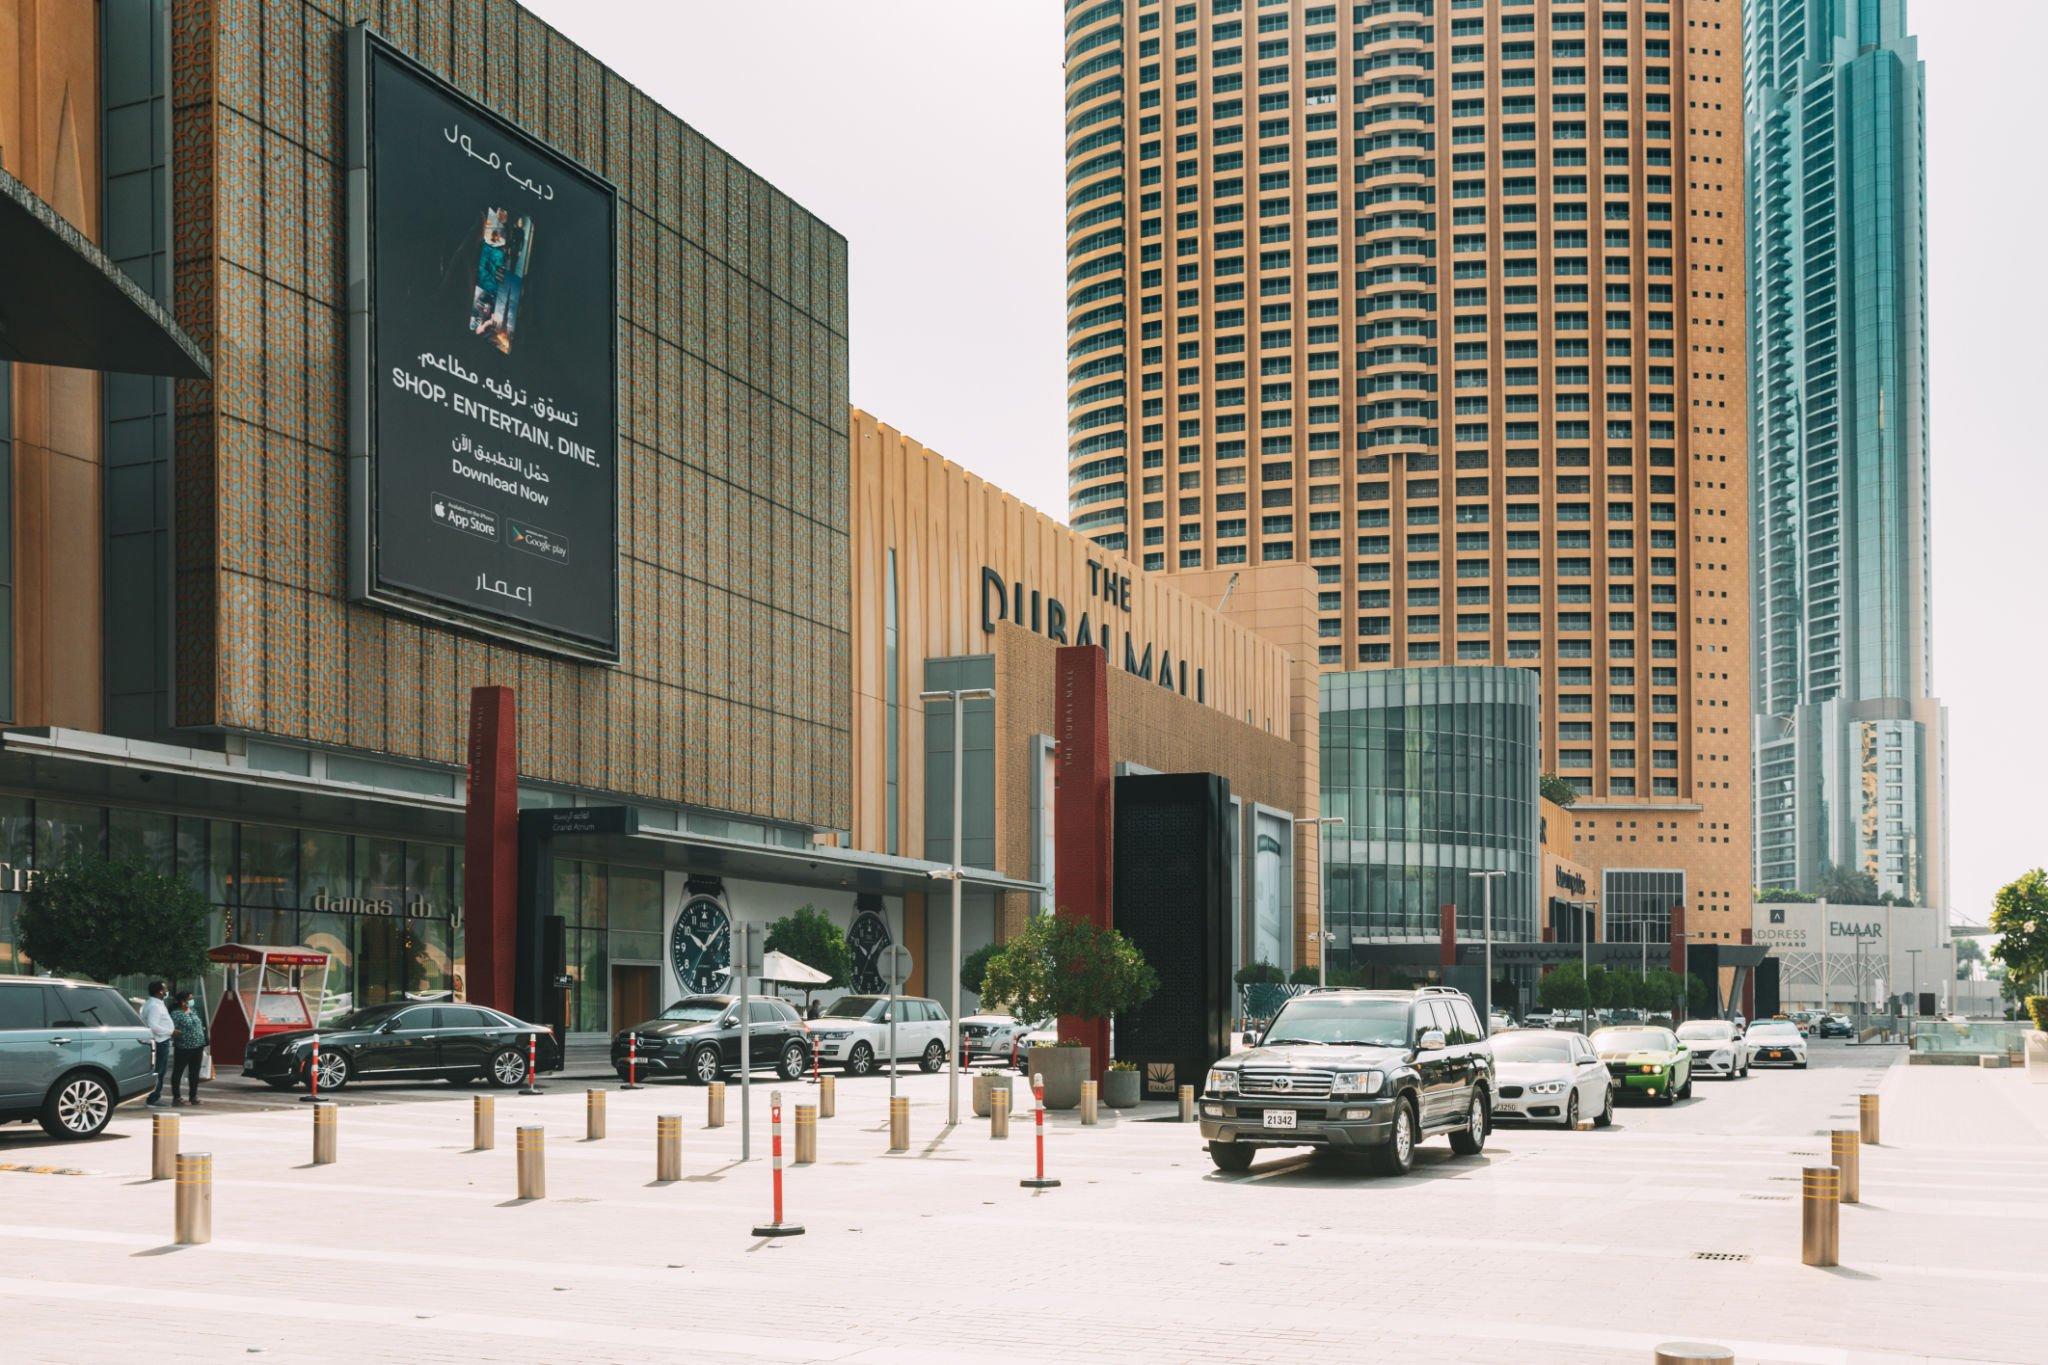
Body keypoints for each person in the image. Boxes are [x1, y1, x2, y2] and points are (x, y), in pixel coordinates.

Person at [169, 991, 208, 1106]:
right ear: (183, 1001)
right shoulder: (176, 1014)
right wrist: (181, 1035)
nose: (192, 1001)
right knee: (178, 1071)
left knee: (194, 1072)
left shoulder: (193, 1011)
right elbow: (172, 1029)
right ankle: (177, 1097)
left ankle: (193, 1096)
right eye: (190, 998)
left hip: (198, 1046)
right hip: (183, 1047)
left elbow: (198, 1025)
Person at [141, 981, 174, 1107]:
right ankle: (153, 1098)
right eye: (165, 989)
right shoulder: (154, 1005)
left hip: (161, 1040)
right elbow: (153, 1026)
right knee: (159, 1071)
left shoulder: (156, 1003)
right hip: (159, 1042)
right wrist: (171, 1031)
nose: (166, 991)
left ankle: (154, 1096)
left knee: (160, 1070)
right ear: (160, 991)